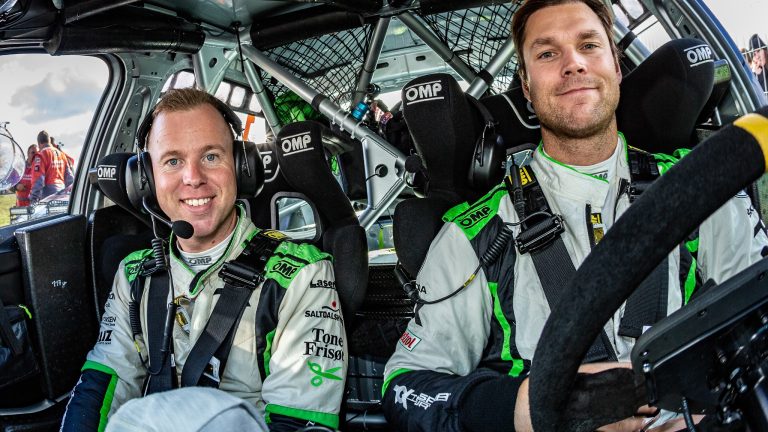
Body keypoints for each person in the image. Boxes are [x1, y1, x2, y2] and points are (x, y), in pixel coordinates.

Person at [380, 1, 768, 431]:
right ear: (526, 86)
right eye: (548, 53)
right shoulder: (474, 234)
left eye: (588, 45)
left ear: (615, 66)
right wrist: (528, 407)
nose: (574, 64)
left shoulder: (702, 188)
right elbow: (403, 388)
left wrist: (710, 417)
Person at [61, 88, 347, 431]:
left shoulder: (300, 273)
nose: (193, 177)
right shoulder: (135, 272)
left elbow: (301, 421)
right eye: (173, 161)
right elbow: (104, 380)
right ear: (146, 179)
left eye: (211, 156)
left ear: (241, 167)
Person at [29, 130, 73, 203]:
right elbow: (70, 178)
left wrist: (33, 199)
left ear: (39, 143)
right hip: (62, 195)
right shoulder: (62, 155)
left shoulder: (40, 155)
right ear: (49, 141)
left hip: (48, 196)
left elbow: (38, 179)